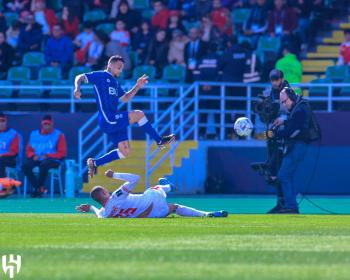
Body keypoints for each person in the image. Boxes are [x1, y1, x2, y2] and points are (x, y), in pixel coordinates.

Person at [74, 55, 175, 179]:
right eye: (119, 67)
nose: (120, 71)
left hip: (113, 120)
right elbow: (79, 77)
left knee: (125, 152)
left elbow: (125, 98)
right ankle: (159, 140)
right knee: (139, 114)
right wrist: (77, 88)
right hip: (108, 118)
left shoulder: (115, 83)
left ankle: (95, 163)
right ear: (110, 65)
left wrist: (137, 86)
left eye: (122, 68)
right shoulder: (101, 76)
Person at [76, 169, 228, 218]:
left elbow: (98, 215)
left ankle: (206, 214)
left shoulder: (106, 213)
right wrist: (114, 175)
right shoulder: (116, 196)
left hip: (152, 214)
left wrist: (90, 207)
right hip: (150, 201)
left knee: (174, 207)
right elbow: (136, 179)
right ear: (104, 192)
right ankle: (168, 186)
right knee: (154, 189)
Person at [266, 87, 318, 214]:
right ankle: (290, 204)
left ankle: (291, 206)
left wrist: (274, 134)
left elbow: (292, 131)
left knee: (284, 174)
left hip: (298, 145)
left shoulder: (300, 109)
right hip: (297, 144)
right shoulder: (300, 106)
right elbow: (294, 123)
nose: (284, 105)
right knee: (287, 175)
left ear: (292, 98)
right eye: (282, 102)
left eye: (285, 101)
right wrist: (284, 120)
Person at [22, 115, 67, 198]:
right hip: (38, 158)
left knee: (44, 165)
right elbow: (28, 150)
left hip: (52, 160)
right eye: (45, 124)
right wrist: (33, 155)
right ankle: (39, 188)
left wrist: (48, 155)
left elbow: (62, 153)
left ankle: (37, 190)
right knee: (25, 166)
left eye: (48, 124)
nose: (46, 126)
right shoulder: (34, 134)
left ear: (52, 124)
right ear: (42, 124)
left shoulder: (59, 135)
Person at [0, 113, 20, 178]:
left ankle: (3, 185)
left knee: (1, 161)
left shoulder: (13, 134)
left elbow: (14, 152)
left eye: (3, 121)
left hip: (9, 160)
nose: (1, 123)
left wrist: (2, 155)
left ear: (6, 122)